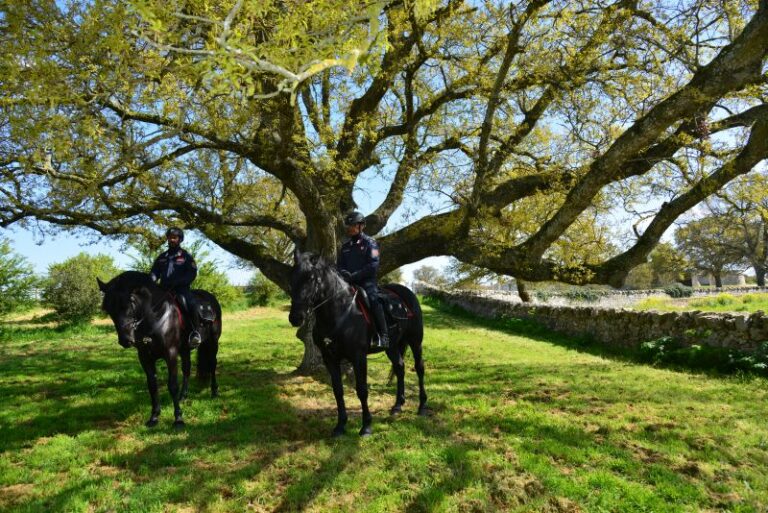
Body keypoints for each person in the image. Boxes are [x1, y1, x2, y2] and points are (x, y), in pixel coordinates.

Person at [337, 211, 389, 349]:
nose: (349, 228)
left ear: (361, 226)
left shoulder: (371, 243)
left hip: (366, 282)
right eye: (348, 225)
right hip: (347, 282)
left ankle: (383, 336)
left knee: (373, 300)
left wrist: (354, 275)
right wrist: (344, 273)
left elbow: (373, 265)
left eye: (352, 225)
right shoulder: (345, 247)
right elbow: (340, 265)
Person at [150, 227, 202, 348]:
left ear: (180, 239)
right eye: (170, 237)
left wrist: (181, 281)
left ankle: (195, 332)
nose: (171, 239)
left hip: (181, 289)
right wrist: (150, 280)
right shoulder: (162, 257)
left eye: (174, 237)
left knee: (190, 304)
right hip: (163, 290)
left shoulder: (185, 256)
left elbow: (192, 272)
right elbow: (154, 273)